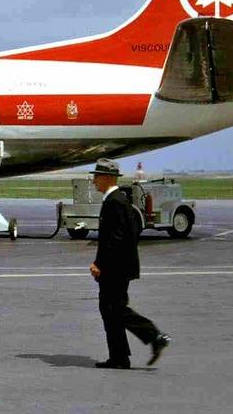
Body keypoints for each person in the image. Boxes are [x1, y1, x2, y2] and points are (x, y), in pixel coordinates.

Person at [88, 158, 171, 369]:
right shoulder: (120, 200)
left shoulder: (115, 202)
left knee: (114, 309)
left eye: (97, 176)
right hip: (120, 267)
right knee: (110, 309)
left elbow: (116, 238)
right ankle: (119, 357)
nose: (94, 180)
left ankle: (154, 336)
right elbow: (130, 233)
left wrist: (100, 264)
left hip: (115, 268)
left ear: (107, 178)